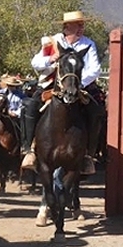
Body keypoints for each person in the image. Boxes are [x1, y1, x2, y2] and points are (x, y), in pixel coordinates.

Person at [21, 10, 104, 175]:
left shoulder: (88, 44)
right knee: (30, 107)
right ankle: (29, 149)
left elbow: (94, 69)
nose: (81, 27)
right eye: (77, 24)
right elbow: (36, 63)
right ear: (67, 26)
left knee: (96, 111)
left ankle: (88, 155)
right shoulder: (52, 42)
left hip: (81, 86)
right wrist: (50, 59)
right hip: (51, 85)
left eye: (82, 24)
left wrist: (77, 83)